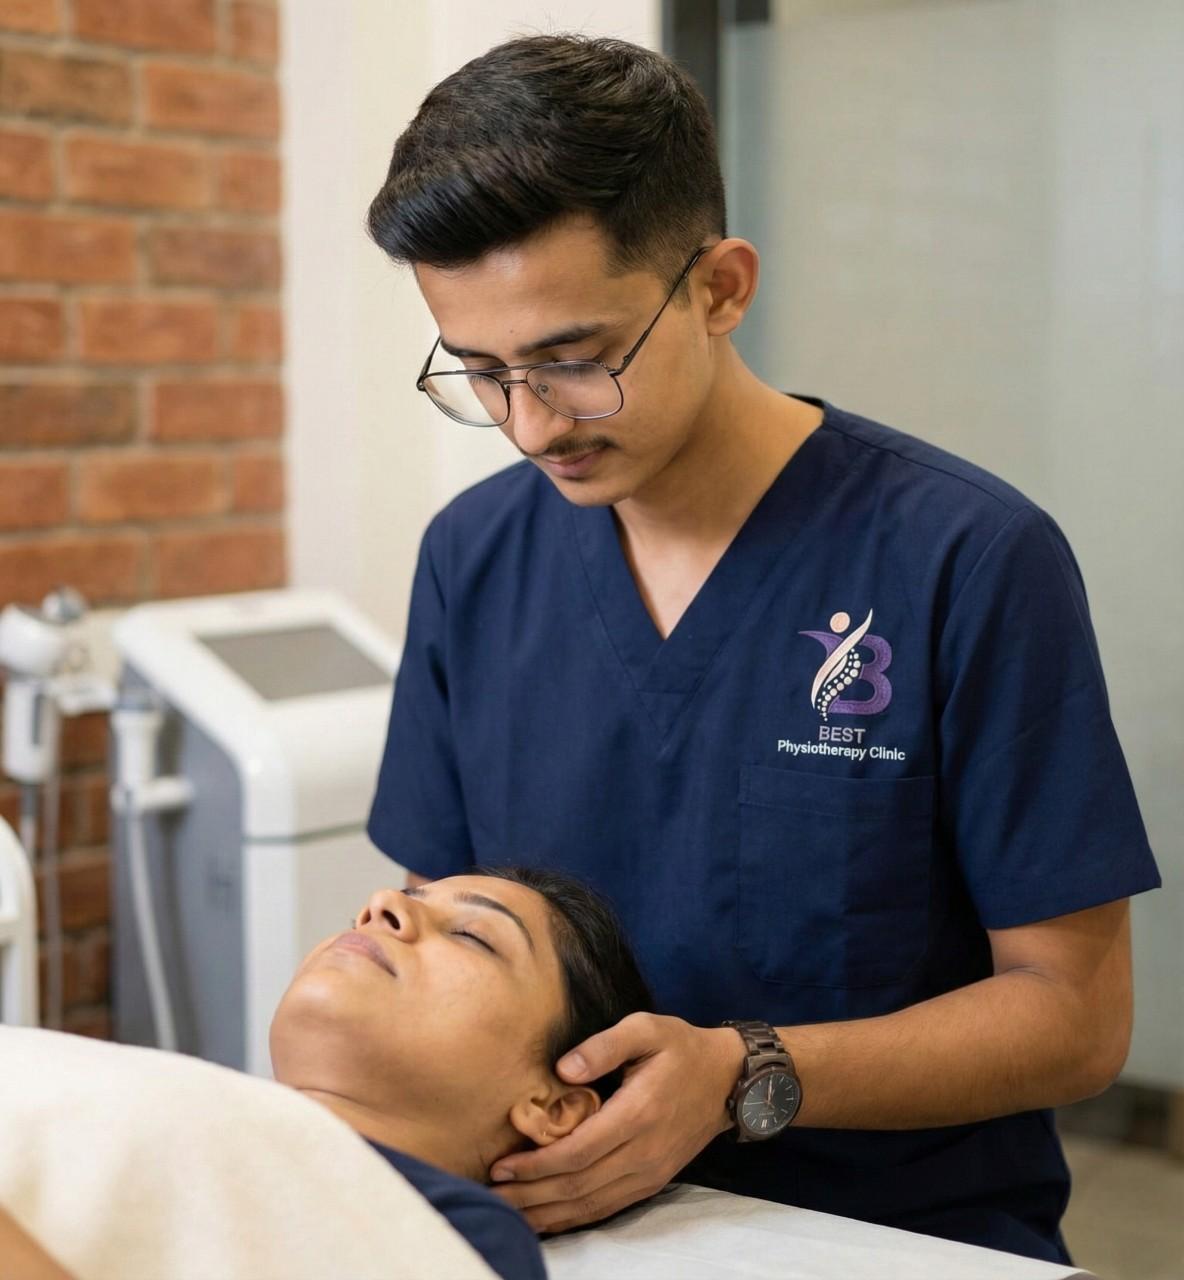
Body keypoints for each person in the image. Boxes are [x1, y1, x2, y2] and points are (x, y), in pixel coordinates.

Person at [363, 32, 1162, 1266]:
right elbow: (439, 942)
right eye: (479, 371)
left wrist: (741, 1074)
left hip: (898, 1238)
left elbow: (1073, 1019)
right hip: (573, 1229)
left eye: (573, 361)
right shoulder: (472, 558)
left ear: (719, 288)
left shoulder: (963, 557)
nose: (528, 424)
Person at [271, 866, 652, 1279]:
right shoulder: (214, 1109)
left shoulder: (464, 1238)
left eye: (470, 936)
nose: (381, 902)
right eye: (358, 919)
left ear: (553, 1107)